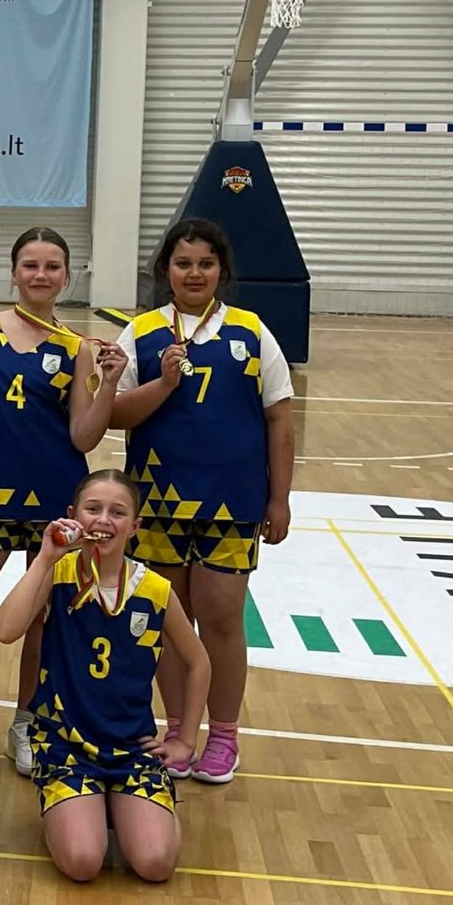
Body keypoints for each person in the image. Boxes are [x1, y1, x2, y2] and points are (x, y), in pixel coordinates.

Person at [0, 225, 126, 777]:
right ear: (13, 273)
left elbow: (83, 437)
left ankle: (28, 723)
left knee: (45, 621)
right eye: (31, 265)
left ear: (66, 276)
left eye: (52, 266)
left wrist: (109, 383)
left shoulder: (77, 348)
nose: (41, 275)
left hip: (55, 499)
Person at [109, 217, 295, 785]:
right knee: (170, 623)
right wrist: (163, 384)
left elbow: (279, 420)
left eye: (206, 264)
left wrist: (280, 499)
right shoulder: (141, 332)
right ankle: (177, 732)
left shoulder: (251, 331)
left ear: (221, 271)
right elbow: (115, 414)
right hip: (158, 504)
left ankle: (225, 735)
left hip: (232, 504)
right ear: (165, 270)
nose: (194, 273)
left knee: (220, 618)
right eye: (183, 263)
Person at [0, 470, 210, 883]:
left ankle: (121, 806)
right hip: (65, 745)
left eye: (118, 512)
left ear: (135, 526)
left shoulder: (155, 589)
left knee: (156, 864)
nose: (104, 520)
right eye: (93, 509)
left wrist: (185, 739)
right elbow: (4, 630)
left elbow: (199, 662)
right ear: (73, 515)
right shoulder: (57, 574)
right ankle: (77, 806)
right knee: (82, 862)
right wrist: (44, 558)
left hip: (131, 746)